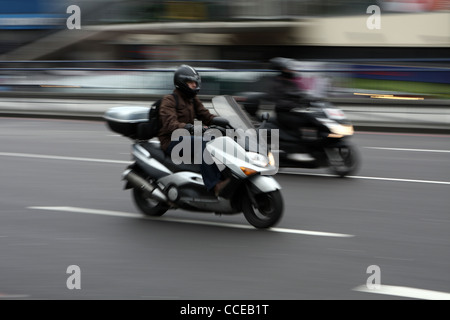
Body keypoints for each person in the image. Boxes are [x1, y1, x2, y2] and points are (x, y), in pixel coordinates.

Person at [157, 65, 230, 196]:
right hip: (171, 140)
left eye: (195, 83)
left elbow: (206, 116)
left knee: (220, 140)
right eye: (191, 83)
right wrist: (191, 128)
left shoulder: (192, 99)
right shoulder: (169, 100)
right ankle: (214, 185)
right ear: (182, 83)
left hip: (188, 136)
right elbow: (170, 124)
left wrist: (224, 121)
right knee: (204, 143)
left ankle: (225, 177)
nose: (194, 85)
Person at [265, 57, 318, 133]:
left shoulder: (291, 83)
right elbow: (277, 101)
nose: (293, 71)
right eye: (290, 69)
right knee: (307, 119)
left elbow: (301, 93)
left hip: (294, 112)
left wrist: (314, 99)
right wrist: (296, 104)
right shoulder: (275, 84)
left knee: (313, 117)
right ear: (283, 69)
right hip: (284, 114)